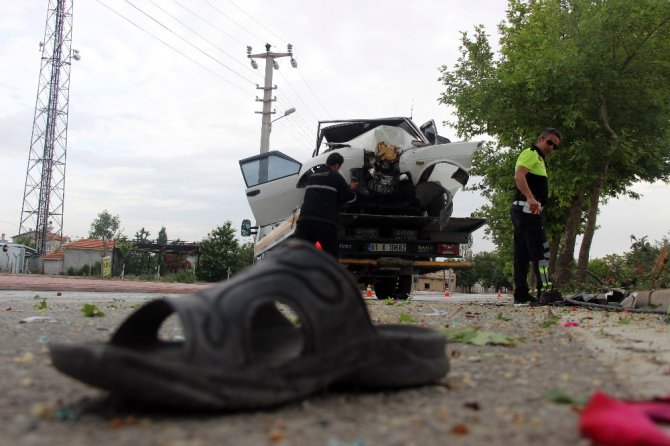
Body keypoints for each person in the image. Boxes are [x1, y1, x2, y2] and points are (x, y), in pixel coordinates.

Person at [511, 127, 561, 304]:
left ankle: (521, 294)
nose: (551, 148)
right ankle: (545, 291)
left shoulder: (539, 159)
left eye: (555, 146)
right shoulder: (531, 153)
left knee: (522, 254)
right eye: (549, 142)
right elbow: (518, 176)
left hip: (523, 210)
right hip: (527, 210)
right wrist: (531, 198)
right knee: (541, 251)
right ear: (540, 139)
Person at [293, 152, 356, 257]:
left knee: (300, 255)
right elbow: (350, 198)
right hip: (325, 222)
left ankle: (298, 273)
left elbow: (322, 191)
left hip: (305, 221)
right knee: (331, 257)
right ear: (337, 165)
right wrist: (352, 188)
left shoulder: (312, 177)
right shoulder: (336, 177)